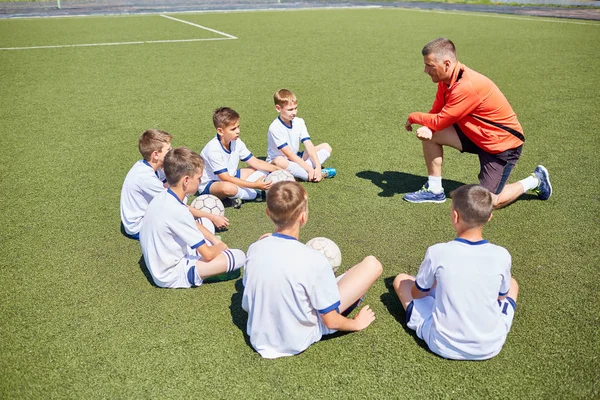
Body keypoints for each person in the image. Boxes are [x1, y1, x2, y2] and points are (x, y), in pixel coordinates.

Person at [403, 38, 552, 208]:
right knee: (431, 132)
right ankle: (435, 190)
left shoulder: (466, 86)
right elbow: (436, 112)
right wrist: (429, 127)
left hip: (501, 145)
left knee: (488, 202)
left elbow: (441, 119)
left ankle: (535, 180)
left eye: (430, 66)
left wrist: (413, 117)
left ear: (446, 64)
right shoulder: (446, 81)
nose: (426, 70)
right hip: (475, 134)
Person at [242, 181, 382, 359]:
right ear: (303, 216)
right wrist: (356, 323)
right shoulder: (315, 260)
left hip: (259, 336)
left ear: (268, 213)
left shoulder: (255, 249)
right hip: (298, 338)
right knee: (372, 264)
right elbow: (330, 321)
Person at [393, 184, 519, 360]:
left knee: (401, 280)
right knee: (512, 283)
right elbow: (501, 297)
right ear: (490, 217)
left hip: (442, 344)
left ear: (455, 216)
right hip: (490, 345)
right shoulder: (502, 255)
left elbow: (417, 293)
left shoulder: (437, 252)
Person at [139, 147, 245, 288]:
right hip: (172, 273)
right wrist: (219, 246)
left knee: (204, 222)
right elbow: (207, 254)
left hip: (161, 260)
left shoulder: (163, 196)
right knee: (238, 257)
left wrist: (213, 239)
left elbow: (192, 222)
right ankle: (205, 273)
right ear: (186, 180)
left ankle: (201, 251)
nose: (201, 181)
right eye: (199, 178)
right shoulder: (178, 211)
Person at [120, 129, 229, 240]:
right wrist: (212, 217)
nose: (171, 151)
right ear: (156, 155)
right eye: (168, 149)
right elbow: (177, 204)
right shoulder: (146, 178)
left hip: (149, 215)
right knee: (188, 223)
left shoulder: (150, 166)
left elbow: (169, 182)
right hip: (139, 227)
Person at [199, 107, 280, 209]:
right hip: (212, 185)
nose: (238, 131)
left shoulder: (236, 142)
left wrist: (279, 170)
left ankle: (239, 194)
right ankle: (258, 194)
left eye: (238, 127)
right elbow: (225, 178)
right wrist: (254, 185)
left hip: (232, 176)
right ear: (220, 131)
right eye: (233, 129)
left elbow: (255, 162)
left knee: (261, 167)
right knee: (228, 188)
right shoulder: (213, 149)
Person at [266, 89, 336, 182]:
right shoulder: (275, 127)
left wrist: (318, 167)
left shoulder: (299, 121)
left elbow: (309, 145)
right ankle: (310, 175)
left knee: (326, 147)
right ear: (278, 108)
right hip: (281, 161)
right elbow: (289, 154)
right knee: (279, 161)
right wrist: (309, 169)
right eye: (290, 110)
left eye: (295, 108)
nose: (294, 112)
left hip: (297, 158)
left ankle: (304, 173)